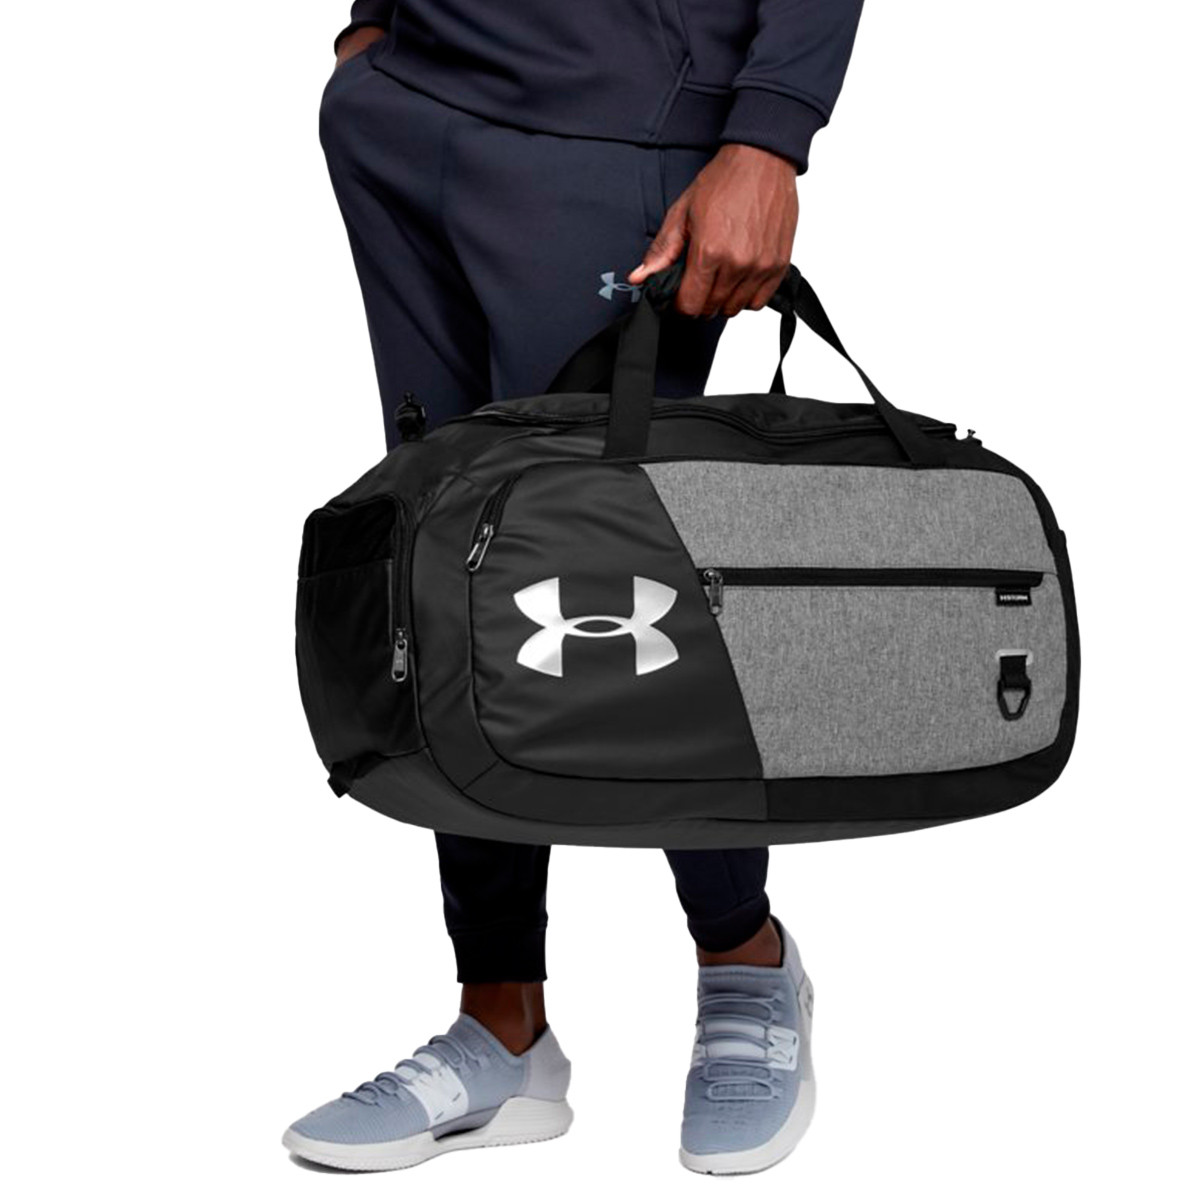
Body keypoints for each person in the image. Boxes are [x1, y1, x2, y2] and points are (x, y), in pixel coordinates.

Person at [284, 0, 862, 1176]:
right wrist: (373, 31)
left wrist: (770, 133)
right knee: (440, 567)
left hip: (615, 125)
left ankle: (743, 959)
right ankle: (502, 1025)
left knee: (616, 578)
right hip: (409, 109)